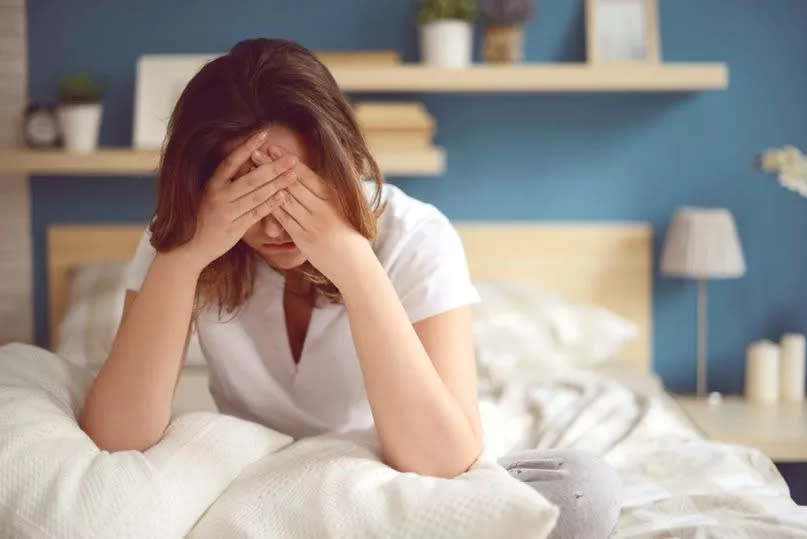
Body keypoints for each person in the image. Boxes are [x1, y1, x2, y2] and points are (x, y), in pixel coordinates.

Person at [79, 38, 619, 537]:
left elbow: (442, 460)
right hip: (266, 479)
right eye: (249, 196)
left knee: (580, 491)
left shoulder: (416, 236)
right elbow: (118, 437)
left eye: (296, 194)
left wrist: (353, 262)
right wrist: (187, 255)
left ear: (341, 165)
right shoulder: (179, 240)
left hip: (394, 471)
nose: (274, 228)